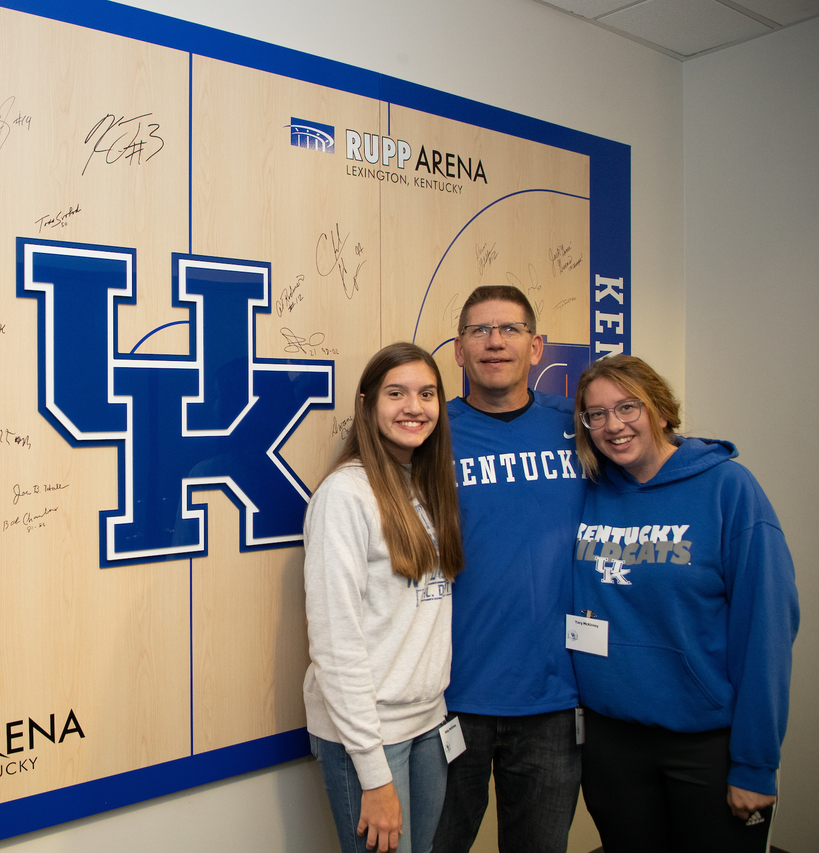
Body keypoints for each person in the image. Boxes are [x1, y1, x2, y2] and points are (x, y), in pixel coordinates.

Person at [570, 354, 799, 852]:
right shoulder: (588, 492)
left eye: (627, 407)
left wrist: (756, 764)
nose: (613, 425)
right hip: (611, 743)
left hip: (704, 743)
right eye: (597, 414)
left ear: (662, 411)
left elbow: (767, 631)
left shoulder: (728, 490)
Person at [433, 286, 584, 853]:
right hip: (451, 697)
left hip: (554, 699)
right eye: (479, 331)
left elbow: (651, 456)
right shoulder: (429, 432)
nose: (494, 342)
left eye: (510, 329)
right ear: (458, 350)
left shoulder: (579, 427)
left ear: (537, 346)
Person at [304, 342, 465, 853]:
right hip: (369, 737)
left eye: (427, 394)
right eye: (396, 393)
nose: (413, 407)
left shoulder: (425, 485)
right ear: (368, 402)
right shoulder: (344, 496)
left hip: (426, 723)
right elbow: (335, 643)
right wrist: (373, 774)